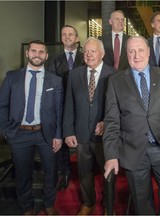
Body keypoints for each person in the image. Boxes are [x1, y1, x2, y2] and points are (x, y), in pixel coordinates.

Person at [103, 36, 160, 215]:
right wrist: (111, 155)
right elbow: (111, 121)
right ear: (127, 54)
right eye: (131, 51)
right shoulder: (116, 81)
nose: (136, 55)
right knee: (142, 204)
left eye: (140, 50)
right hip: (133, 149)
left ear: (148, 52)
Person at [0, 40, 63, 215]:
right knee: (22, 173)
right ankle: (27, 207)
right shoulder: (12, 77)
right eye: (33, 51)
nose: (37, 54)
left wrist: (58, 135)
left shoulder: (55, 80)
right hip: (19, 134)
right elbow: (2, 105)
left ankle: (49, 204)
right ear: (27, 53)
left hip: (46, 134)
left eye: (41, 52)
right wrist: (5, 131)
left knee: (51, 171)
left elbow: (60, 109)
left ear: (46, 55)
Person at [63, 37, 115, 215]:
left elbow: (117, 106)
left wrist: (107, 122)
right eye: (86, 51)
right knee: (84, 172)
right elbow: (69, 105)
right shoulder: (74, 74)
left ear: (102, 54)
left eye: (93, 51)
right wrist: (68, 131)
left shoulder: (114, 74)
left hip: (104, 136)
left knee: (108, 174)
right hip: (81, 134)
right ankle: (88, 202)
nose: (89, 54)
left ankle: (109, 206)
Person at [48, 24, 85, 190]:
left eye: (71, 34)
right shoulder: (55, 59)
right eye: (64, 34)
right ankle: (66, 172)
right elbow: (50, 84)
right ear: (62, 38)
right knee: (62, 138)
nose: (68, 37)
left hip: (82, 105)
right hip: (62, 105)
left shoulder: (86, 56)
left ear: (77, 38)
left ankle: (85, 172)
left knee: (83, 140)